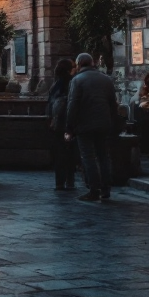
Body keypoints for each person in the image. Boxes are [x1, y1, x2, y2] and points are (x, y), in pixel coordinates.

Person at [66, 52, 119, 202]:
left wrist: (69, 127)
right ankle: (106, 189)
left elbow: (73, 105)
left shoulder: (77, 80)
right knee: (103, 156)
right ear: (92, 63)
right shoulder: (106, 80)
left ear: (78, 64)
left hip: (85, 125)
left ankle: (94, 190)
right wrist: (113, 123)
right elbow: (112, 104)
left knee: (88, 157)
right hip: (104, 124)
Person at [47, 58, 77, 191]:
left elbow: (49, 103)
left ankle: (59, 182)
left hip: (57, 124)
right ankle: (70, 181)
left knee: (59, 153)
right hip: (69, 123)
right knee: (70, 152)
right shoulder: (73, 82)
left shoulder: (55, 85)